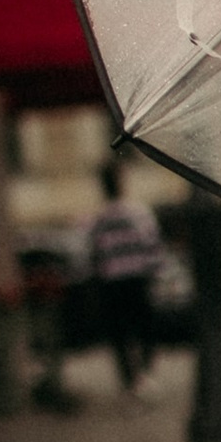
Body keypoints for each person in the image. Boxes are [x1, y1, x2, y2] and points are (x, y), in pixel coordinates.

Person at [83, 159, 166, 394]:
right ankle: (146, 375)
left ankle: (129, 380)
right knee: (145, 329)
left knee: (120, 334)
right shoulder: (139, 213)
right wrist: (154, 273)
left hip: (113, 284)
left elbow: (94, 256)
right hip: (138, 280)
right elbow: (153, 248)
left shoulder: (98, 220)